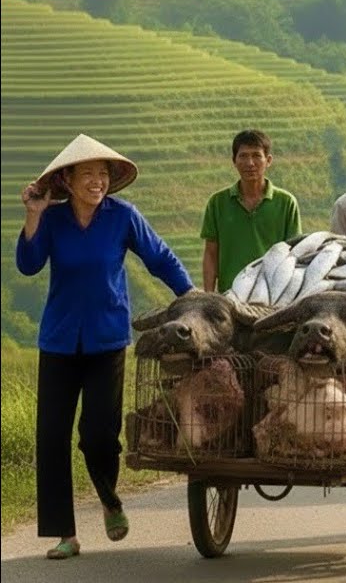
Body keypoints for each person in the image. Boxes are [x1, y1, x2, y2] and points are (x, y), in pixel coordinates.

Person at [16, 134, 194, 560]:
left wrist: (192, 300)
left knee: (98, 434)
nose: (97, 182)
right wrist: (32, 215)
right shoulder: (54, 220)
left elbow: (161, 258)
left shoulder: (122, 216)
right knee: (51, 437)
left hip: (107, 340)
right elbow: (28, 264)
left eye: (103, 174)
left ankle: (110, 499)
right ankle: (65, 534)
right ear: (67, 179)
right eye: (88, 174)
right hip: (58, 341)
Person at [200, 129, 302, 293]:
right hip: (229, 296)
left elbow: (294, 255)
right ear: (234, 161)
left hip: (272, 296)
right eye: (243, 156)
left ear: (268, 160)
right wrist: (209, 295)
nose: (250, 163)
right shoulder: (217, 203)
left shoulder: (286, 203)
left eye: (256, 155)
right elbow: (211, 254)